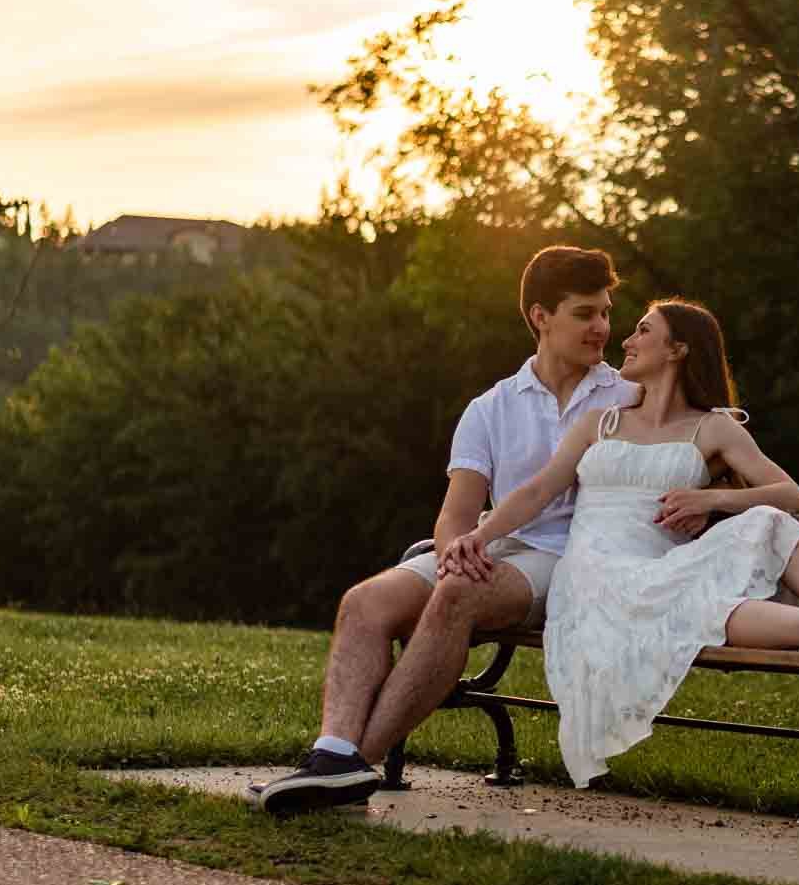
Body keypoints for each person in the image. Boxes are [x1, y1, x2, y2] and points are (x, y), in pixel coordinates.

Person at [458, 298, 799, 788]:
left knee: (769, 521)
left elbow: (792, 494)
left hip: (663, 562)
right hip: (598, 573)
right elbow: (539, 490)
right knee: (688, 598)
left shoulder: (713, 428)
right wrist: (477, 537)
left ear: (678, 349)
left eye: (643, 330)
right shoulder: (600, 423)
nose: (626, 340)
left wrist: (711, 501)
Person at [252, 245, 647, 813]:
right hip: (491, 545)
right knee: (363, 602)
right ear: (541, 317)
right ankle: (333, 754)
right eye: (585, 313)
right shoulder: (490, 407)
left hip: (569, 558)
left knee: (455, 597)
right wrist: (453, 554)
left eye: (606, 312)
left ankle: (349, 766)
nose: (602, 327)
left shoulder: (628, 397)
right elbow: (457, 513)